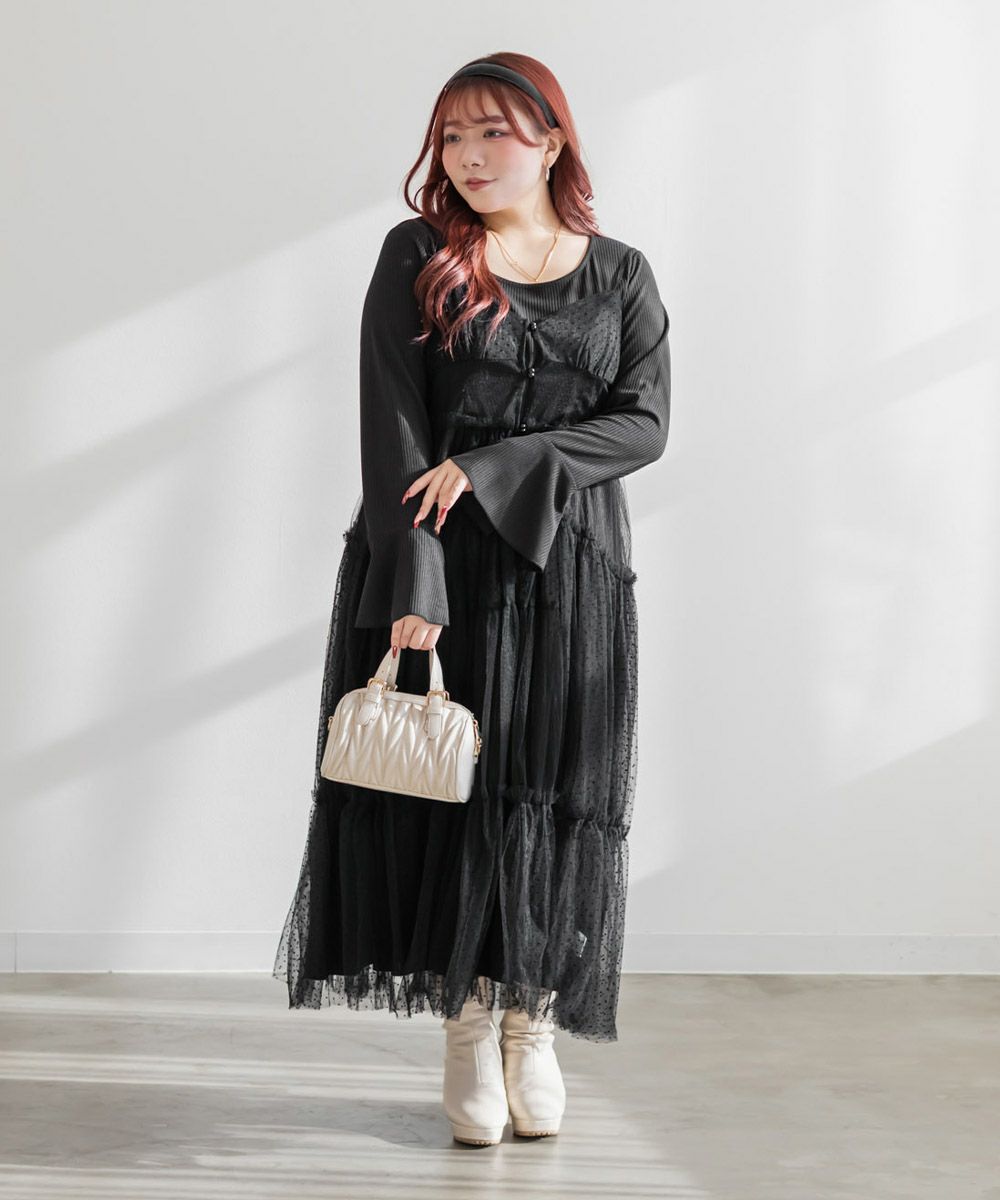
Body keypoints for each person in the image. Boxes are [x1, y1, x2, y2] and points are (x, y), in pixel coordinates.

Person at [273, 51, 671, 1146]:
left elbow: (643, 424)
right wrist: (411, 581)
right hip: (437, 564)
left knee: (549, 796)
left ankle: (529, 1024)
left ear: (553, 140)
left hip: (569, 572)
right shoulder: (419, 255)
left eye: (494, 131)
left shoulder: (621, 274)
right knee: (445, 799)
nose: (469, 155)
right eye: (452, 136)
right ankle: (464, 1024)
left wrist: (501, 464)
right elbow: (393, 427)